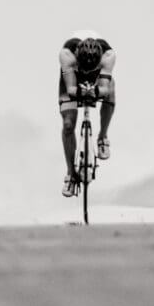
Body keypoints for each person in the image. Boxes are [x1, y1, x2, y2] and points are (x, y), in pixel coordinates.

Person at [58, 31, 116, 197]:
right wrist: (81, 92)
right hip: (72, 80)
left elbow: (104, 88)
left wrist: (95, 90)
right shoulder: (67, 55)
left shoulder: (108, 56)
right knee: (68, 125)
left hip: (98, 80)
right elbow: (70, 89)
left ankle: (102, 137)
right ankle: (70, 174)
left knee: (111, 92)